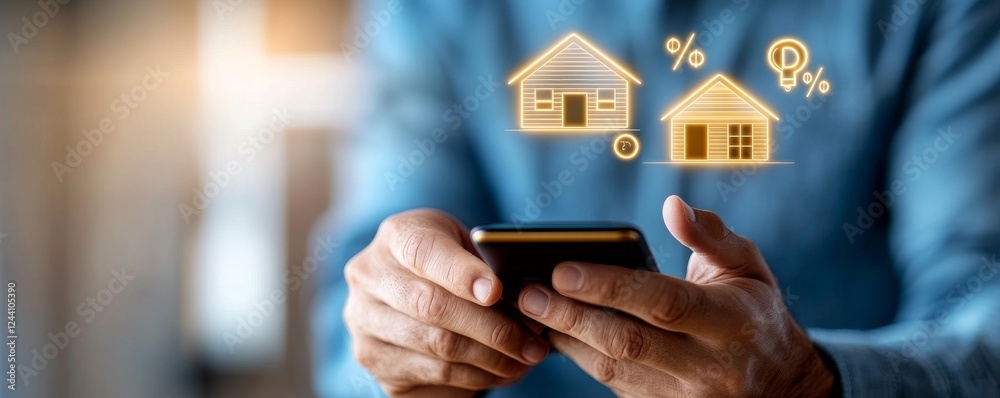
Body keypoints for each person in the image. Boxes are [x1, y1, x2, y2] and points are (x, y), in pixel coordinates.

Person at [312, 1, 1000, 396]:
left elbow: (983, 313)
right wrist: (401, 344)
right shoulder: (433, 12)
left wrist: (814, 382)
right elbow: (362, 298)